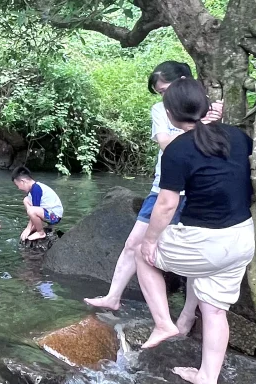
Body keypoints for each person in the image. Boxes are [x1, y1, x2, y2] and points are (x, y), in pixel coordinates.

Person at [135, 78, 256, 384]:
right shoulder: (239, 137)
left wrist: (149, 241)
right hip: (241, 237)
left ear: (171, 114)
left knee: (139, 253)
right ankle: (208, 379)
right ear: (205, 105)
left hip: (204, 241)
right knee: (216, 310)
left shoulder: (177, 149)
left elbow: (167, 204)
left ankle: (164, 323)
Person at [86, 60, 200, 311]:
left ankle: (188, 317)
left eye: (165, 89)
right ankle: (112, 297)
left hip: (195, 191)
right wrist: (194, 132)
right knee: (133, 243)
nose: (164, 96)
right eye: (160, 93)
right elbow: (164, 143)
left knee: (195, 257)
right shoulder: (161, 109)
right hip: (163, 187)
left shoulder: (202, 105)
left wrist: (183, 135)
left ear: (183, 82)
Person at [12, 166, 63, 243]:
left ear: (23, 181)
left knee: (31, 211)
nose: (18, 188)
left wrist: (28, 228)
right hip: (48, 213)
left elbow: (33, 210)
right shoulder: (34, 188)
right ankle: (38, 226)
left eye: (17, 185)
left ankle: (41, 232)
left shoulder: (36, 189)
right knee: (26, 200)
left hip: (54, 217)